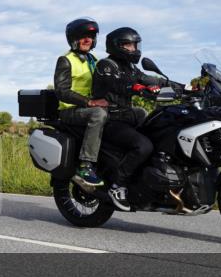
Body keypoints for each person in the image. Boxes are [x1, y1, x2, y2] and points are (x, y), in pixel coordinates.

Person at [91, 27, 164, 211]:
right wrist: (139, 88)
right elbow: (118, 84)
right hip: (110, 119)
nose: (133, 48)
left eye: (134, 44)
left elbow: (150, 79)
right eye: (128, 45)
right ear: (117, 46)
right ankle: (117, 185)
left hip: (127, 116)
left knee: (160, 132)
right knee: (143, 146)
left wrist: (183, 86)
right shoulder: (106, 65)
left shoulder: (131, 67)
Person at [54, 17, 109, 190]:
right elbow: (61, 91)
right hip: (70, 111)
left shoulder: (93, 60)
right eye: (83, 36)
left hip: (87, 108)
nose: (87, 39)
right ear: (74, 39)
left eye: (90, 37)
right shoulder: (66, 60)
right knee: (98, 114)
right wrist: (89, 102)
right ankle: (85, 166)